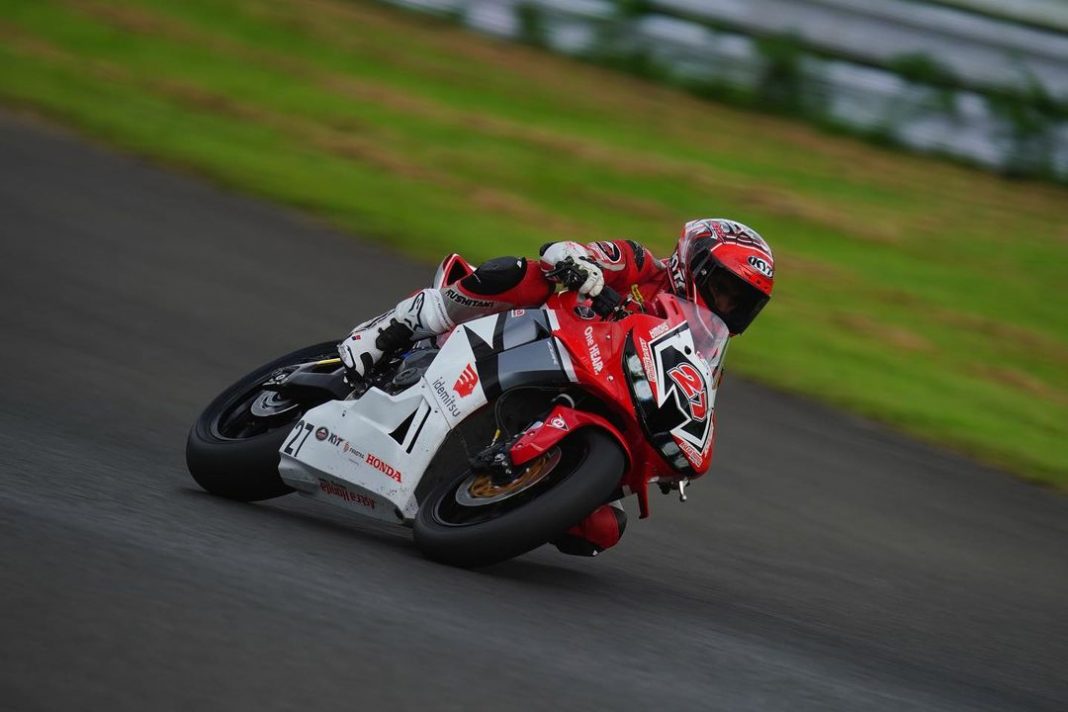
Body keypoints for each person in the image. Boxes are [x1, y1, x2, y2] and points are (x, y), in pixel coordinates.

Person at [338, 218, 775, 556]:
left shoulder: (706, 353)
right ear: (692, 264)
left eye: (742, 301)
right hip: (544, 335)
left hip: (602, 396)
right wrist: (578, 264)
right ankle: (394, 326)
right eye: (723, 287)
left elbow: (689, 403)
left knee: (601, 530)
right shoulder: (642, 265)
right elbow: (568, 251)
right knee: (520, 273)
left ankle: (503, 502)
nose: (728, 304)